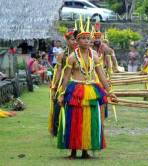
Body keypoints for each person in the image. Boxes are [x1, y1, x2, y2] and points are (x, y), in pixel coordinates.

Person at [56, 27, 117, 159]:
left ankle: (85, 150)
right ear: (77, 41)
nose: (86, 41)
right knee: (74, 119)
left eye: (87, 38)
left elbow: (101, 75)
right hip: (75, 90)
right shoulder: (72, 57)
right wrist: (61, 93)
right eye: (82, 38)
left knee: (90, 119)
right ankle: (73, 151)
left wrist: (109, 91)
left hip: (91, 89)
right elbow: (66, 77)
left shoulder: (94, 56)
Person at [48, 31, 76, 137]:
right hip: (64, 83)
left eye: (75, 39)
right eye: (72, 39)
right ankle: (56, 130)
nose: (74, 42)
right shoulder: (61, 55)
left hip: (78, 84)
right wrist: (55, 86)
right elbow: (59, 71)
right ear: (67, 41)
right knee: (58, 106)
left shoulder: (81, 54)